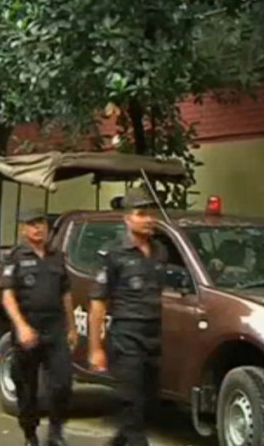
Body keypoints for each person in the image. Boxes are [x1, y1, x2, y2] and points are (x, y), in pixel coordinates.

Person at [88, 188, 167, 446]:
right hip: (126, 337)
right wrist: (95, 348)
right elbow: (98, 303)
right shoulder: (114, 254)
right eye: (140, 213)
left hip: (153, 337)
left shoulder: (160, 252)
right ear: (127, 219)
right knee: (131, 406)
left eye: (150, 213)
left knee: (146, 406)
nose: (148, 219)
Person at [0, 209, 77, 446]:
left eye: (41, 223)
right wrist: (21, 326)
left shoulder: (57, 256)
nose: (38, 229)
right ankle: (30, 434)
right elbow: (7, 296)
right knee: (27, 387)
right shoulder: (16, 257)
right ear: (23, 229)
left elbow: (65, 293)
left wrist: (71, 326)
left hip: (54, 328)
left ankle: (55, 431)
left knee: (62, 383)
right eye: (32, 225)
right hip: (28, 327)